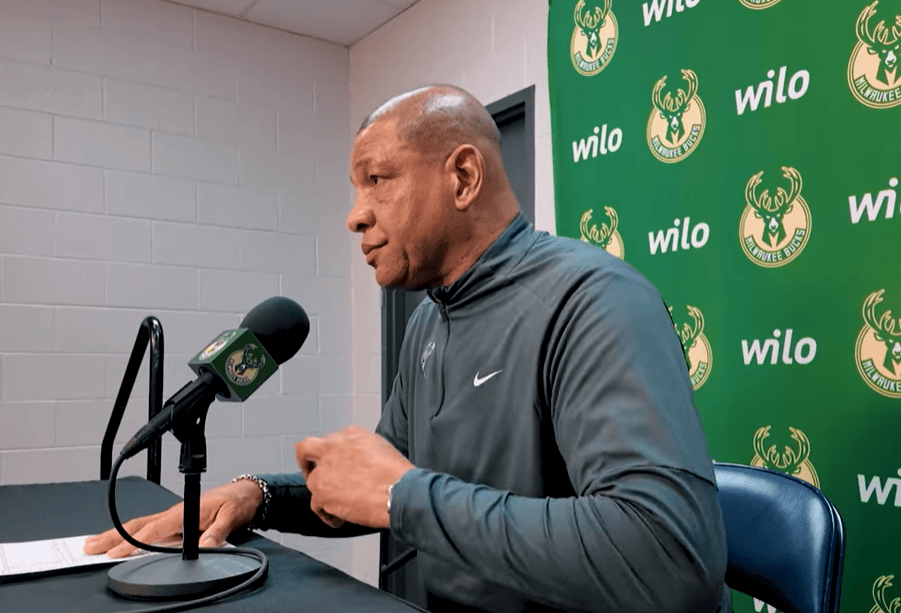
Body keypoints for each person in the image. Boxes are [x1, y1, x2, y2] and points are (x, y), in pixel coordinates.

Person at [85, 84, 731, 613]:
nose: (355, 216)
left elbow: (669, 560)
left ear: (463, 176)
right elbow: (376, 485)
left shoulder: (593, 301)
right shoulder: (427, 323)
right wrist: (259, 496)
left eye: (377, 179)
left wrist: (403, 495)